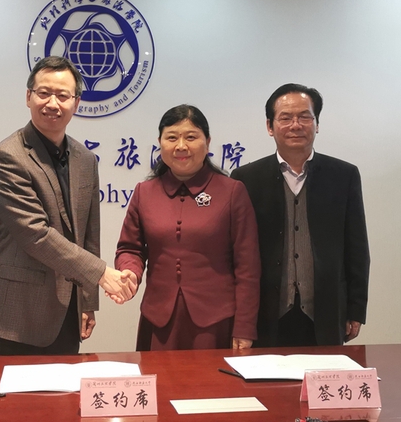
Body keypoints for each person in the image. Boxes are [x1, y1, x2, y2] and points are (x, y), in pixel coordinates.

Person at [0, 56, 136, 356]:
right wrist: (102, 274)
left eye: (63, 96)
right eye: (44, 93)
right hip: (15, 316)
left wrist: (87, 301)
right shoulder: (7, 157)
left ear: (76, 103)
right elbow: (34, 234)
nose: (53, 103)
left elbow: (89, 234)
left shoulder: (85, 159)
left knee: (65, 387)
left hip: (67, 313)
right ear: (28, 96)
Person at [231, 83, 370, 347]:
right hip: (266, 312)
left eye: (305, 117)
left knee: (324, 373)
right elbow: (237, 253)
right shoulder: (246, 178)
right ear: (270, 126)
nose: (295, 125)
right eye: (285, 118)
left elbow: (357, 248)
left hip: (326, 310)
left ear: (317, 124)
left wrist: (356, 309)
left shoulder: (344, 175)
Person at [115, 104, 261, 351]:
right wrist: (130, 271)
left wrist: (244, 327)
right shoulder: (144, 192)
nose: (181, 146)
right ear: (160, 143)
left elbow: (248, 267)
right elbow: (130, 248)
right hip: (158, 319)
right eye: (172, 138)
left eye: (191, 137)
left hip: (215, 322)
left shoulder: (232, 191)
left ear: (208, 142)